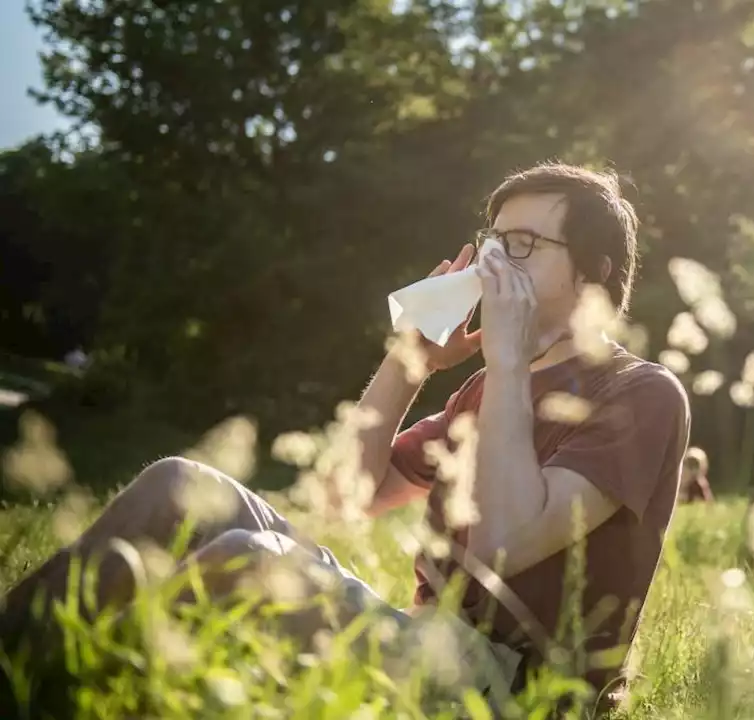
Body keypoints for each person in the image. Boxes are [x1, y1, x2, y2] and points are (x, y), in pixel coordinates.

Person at [0, 162, 690, 714]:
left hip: (514, 691)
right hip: (421, 639)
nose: (493, 265)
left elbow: (507, 541)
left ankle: (80, 695)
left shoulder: (638, 394)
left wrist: (506, 361)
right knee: (181, 484)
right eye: (491, 243)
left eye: (522, 246)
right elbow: (346, 496)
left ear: (595, 269)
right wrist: (409, 361)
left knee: (250, 558)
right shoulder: (487, 390)